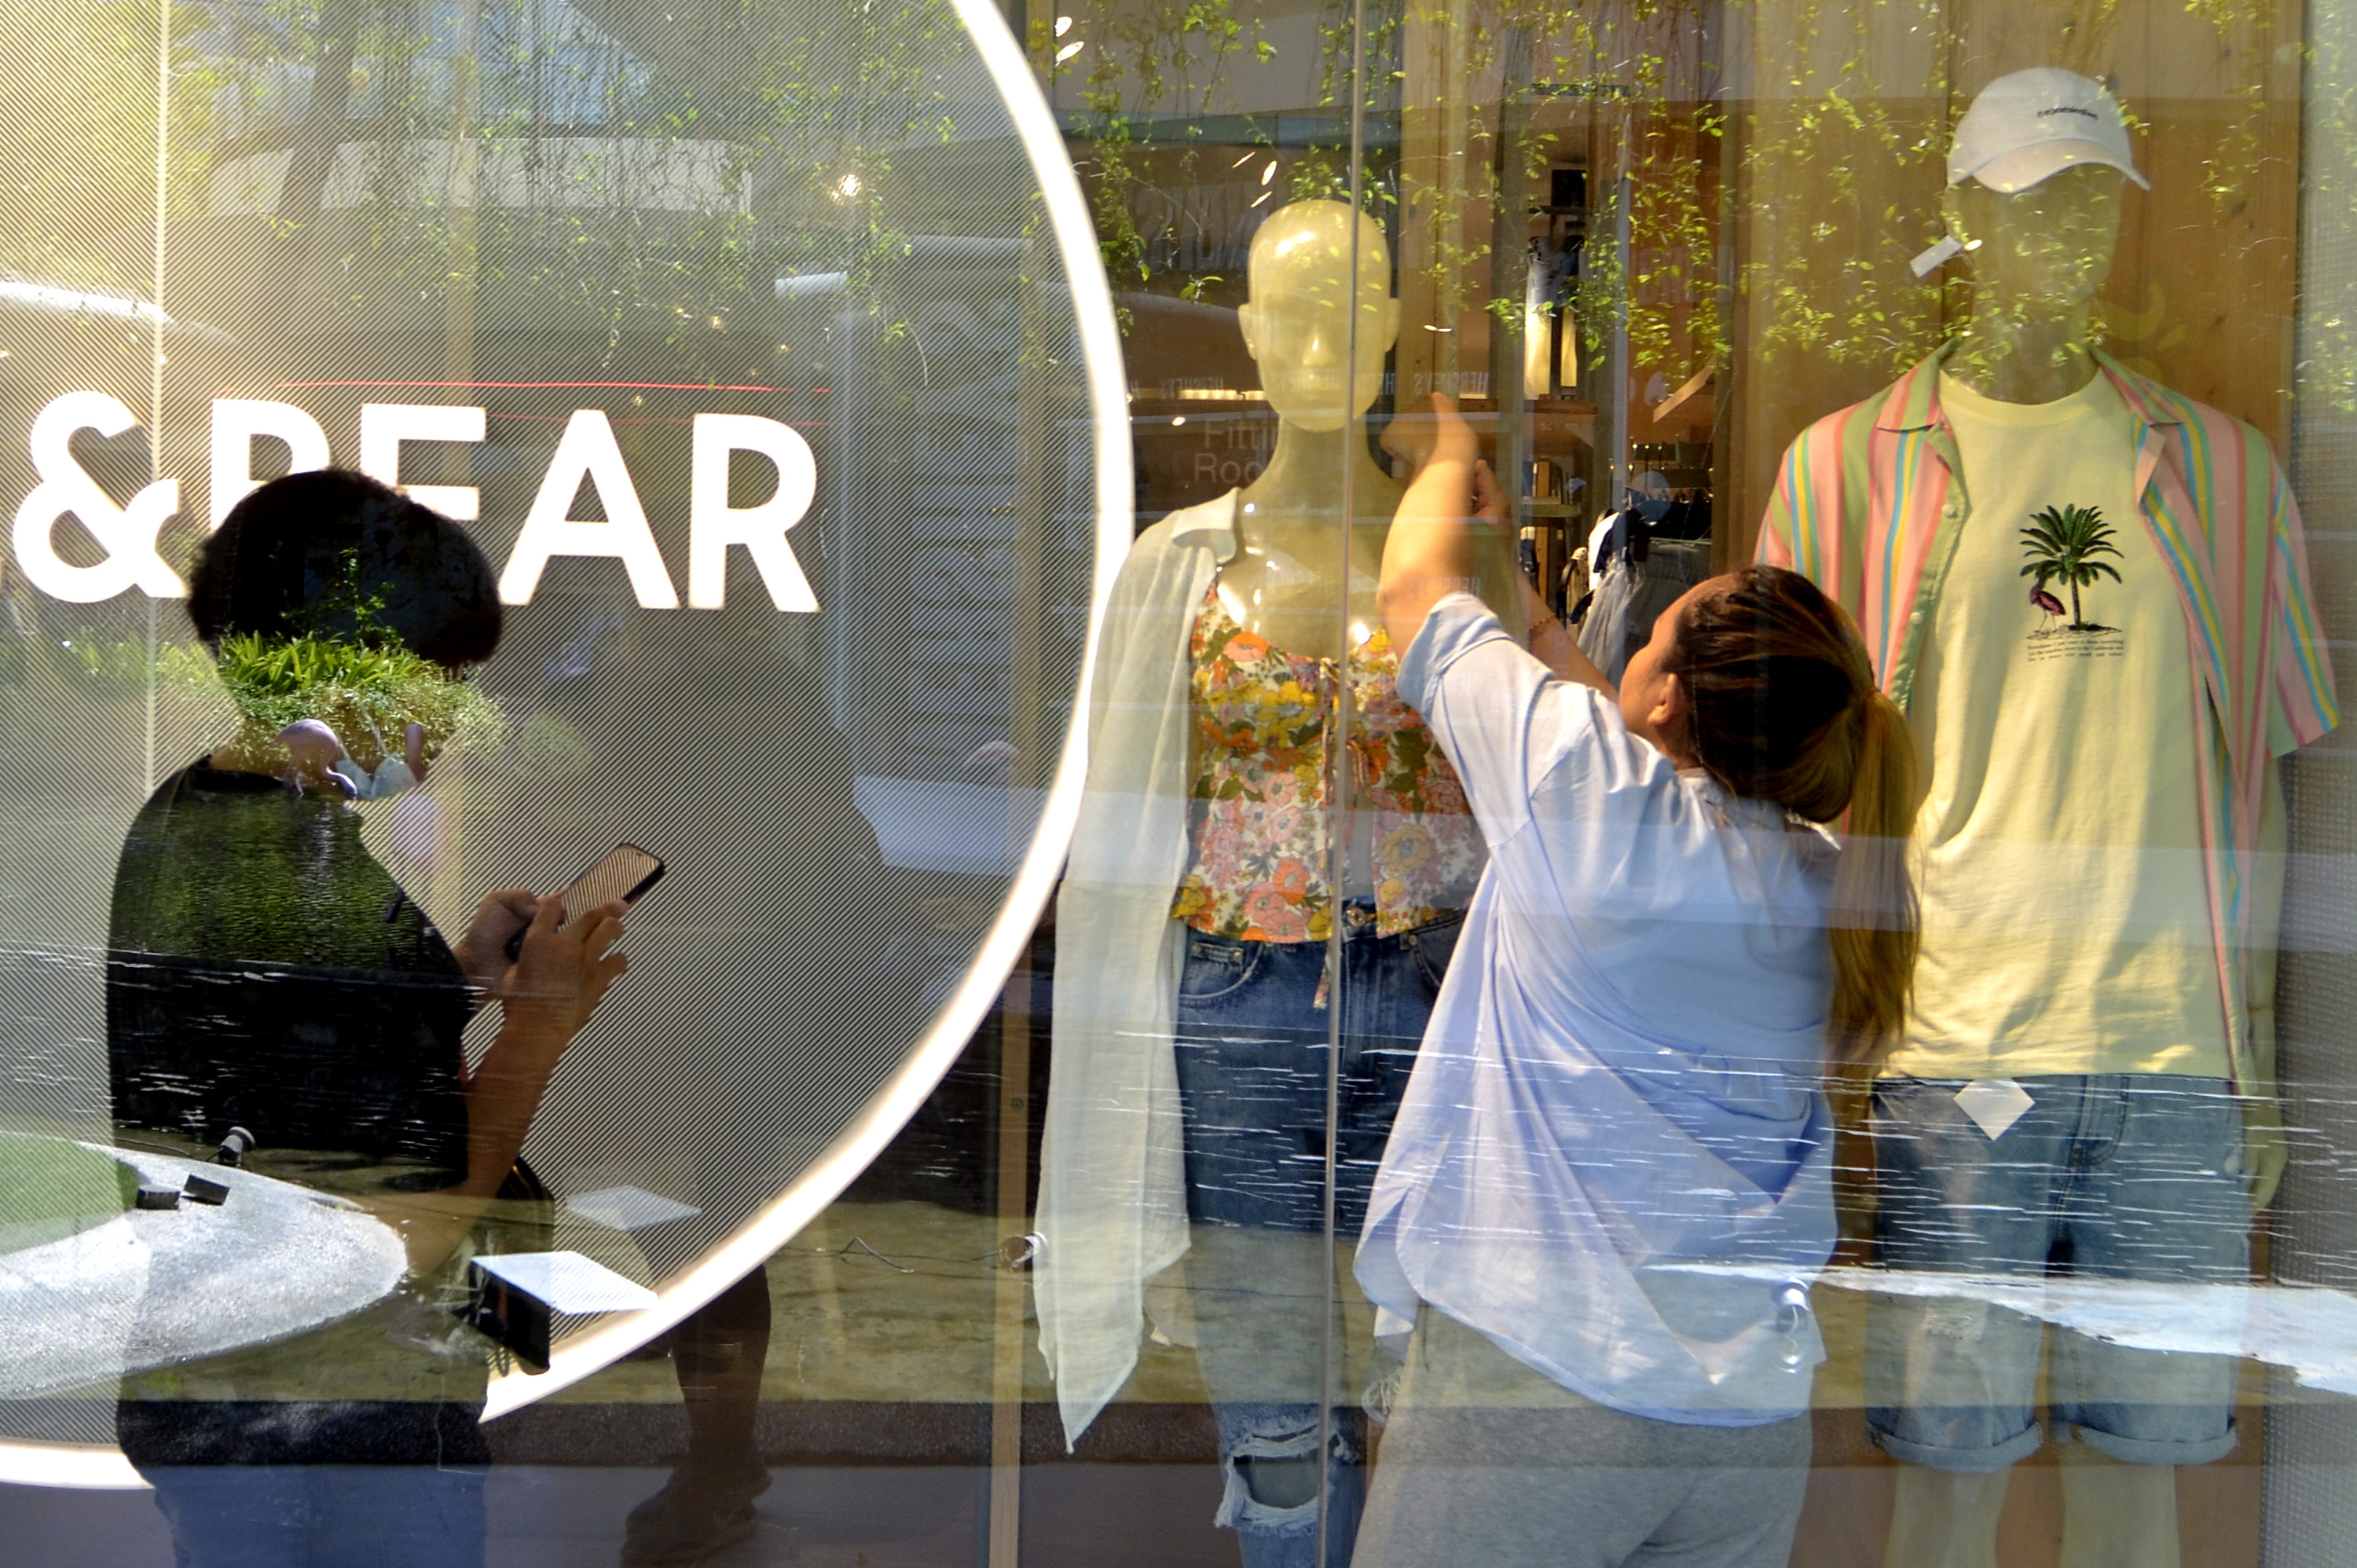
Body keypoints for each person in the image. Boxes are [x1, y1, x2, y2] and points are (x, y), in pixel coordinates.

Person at [1347, 397, 1919, 1568]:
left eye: (1650, 639)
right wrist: (1521, 590)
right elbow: (1598, 711)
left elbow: (1410, 591)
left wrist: (1446, 453)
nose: (1629, 651)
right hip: (1742, 1428)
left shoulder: (1585, 798)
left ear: (1665, 703)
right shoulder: (1823, 889)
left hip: (1545, 1393)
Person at [108, 468, 630, 1568]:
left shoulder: (224, 822)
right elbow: (402, 1236)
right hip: (323, 1429)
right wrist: (534, 1032)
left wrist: (457, 984)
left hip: (265, 1412)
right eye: (441, 677)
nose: (455, 718)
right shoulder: (275, 864)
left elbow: (299, 1065)